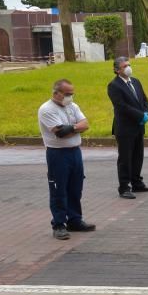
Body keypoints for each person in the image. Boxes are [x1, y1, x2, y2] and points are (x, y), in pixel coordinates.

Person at [38, 79, 96, 240]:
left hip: (75, 152)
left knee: (75, 188)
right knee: (59, 190)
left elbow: (86, 124)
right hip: (58, 154)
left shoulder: (73, 106)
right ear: (56, 93)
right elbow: (60, 132)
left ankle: (75, 220)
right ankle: (58, 224)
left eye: (72, 93)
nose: (70, 97)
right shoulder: (46, 109)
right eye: (67, 94)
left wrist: (73, 128)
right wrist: (76, 128)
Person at [107, 56, 148, 199]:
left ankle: (137, 183)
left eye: (129, 64)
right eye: (124, 66)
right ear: (116, 70)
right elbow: (121, 107)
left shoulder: (136, 82)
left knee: (138, 155)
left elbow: (144, 99)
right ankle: (124, 187)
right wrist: (140, 116)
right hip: (125, 128)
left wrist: (145, 112)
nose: (128, 68)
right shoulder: (114, 86)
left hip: (138, 127)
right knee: (125, 157)